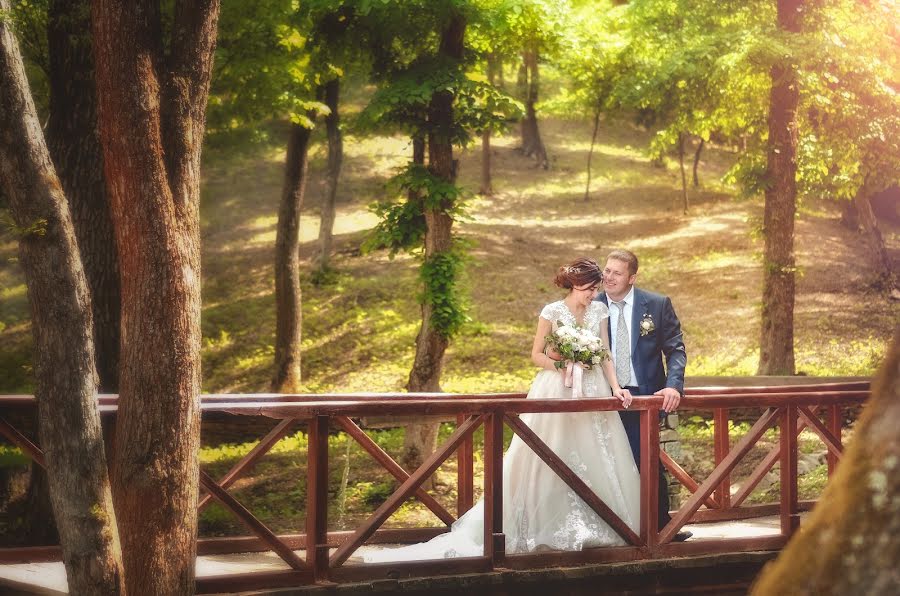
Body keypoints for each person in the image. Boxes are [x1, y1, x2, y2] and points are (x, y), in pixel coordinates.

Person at [364, 257, 641, 562]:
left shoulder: (598, 311)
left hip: (592, 391)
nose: (593, 294)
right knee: (550, 454)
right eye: (589, 289)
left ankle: (603, 525)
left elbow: (604, 353)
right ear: (575, 285)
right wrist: (564, 364)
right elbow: (536, 355)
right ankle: (540, 525)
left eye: (595, 288)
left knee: (594, 455)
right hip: (556, 389)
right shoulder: (552, 311)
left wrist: (615, 387)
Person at [596, 248, 690, 541]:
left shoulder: (657, 305)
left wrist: (673, 385)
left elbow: (675, 349)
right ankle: (612, 528)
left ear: (632, 277)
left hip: (644, 398)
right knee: (602, 461)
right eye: (607, 271)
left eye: (616, 273)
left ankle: (659, 528)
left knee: (646, 460)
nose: (608, 278)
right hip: (602, 396)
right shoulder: (591, 305)